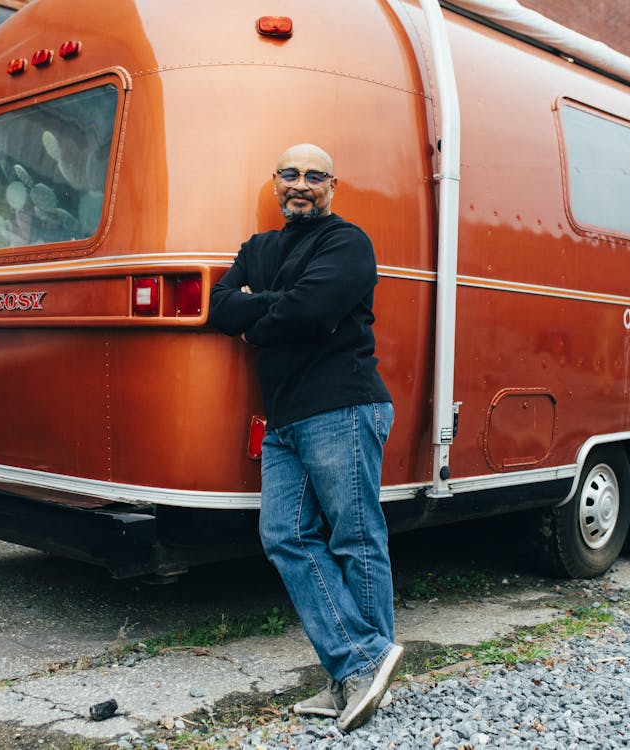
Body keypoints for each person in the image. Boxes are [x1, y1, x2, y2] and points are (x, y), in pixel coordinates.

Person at [208, 143, 400, 732]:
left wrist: (258, 316)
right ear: (275, 183)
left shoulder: (347, 242)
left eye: (314, 176)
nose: (301, 184)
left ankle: (359, 679)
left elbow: (312, 311)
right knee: (283, 536)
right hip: (286, 417)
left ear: (331, 186)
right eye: (290, 173)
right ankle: (357, 669)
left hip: (343, 405)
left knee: (354, 537)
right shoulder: (257, 248)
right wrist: (273, 312)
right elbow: (220, 307)